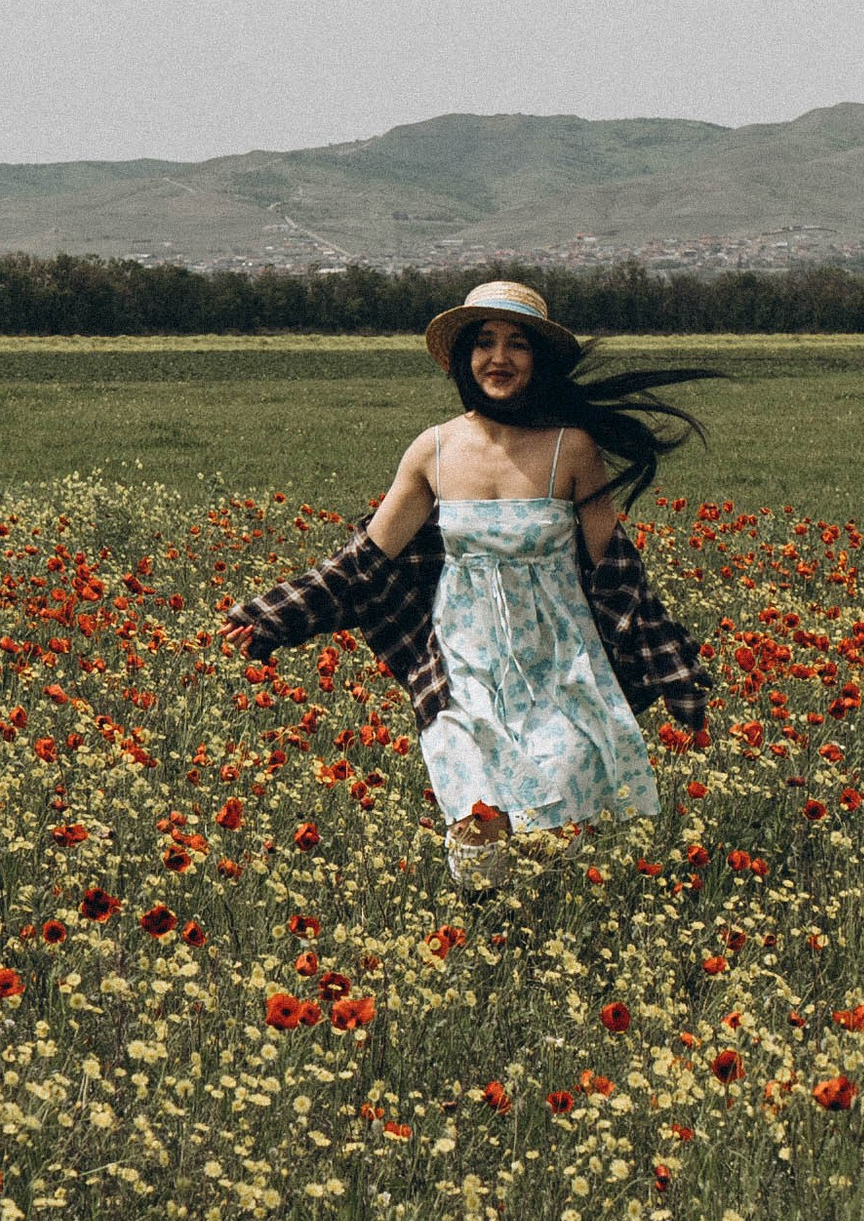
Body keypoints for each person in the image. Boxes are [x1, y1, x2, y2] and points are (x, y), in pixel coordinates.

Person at [227, 279, 714, 884]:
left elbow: (617, 573)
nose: (499, 358)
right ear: (464, 358)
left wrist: (674, 671)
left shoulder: (572, 449)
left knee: (551, 825)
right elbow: (365, 561)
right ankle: (483, 924)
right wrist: (274, 615)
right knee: (475, 816)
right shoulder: (432, 450)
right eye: (484, 342)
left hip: (558, 667)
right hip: (462, 666)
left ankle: (537, 935)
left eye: (517, 344)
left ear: (540, 359)